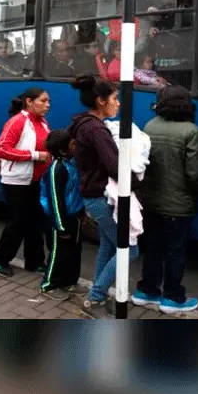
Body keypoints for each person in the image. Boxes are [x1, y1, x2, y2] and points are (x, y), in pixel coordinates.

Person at [132, 85, 198, 314]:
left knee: (154, 247)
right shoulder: (192, 131)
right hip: (179, 205)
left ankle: (147, 291)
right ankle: (173, 298)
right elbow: (195, 174)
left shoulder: (150, 126)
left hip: (152, 200)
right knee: (175, 251)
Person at [66, 75, 137, 315]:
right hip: (99, 197)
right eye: (115, 99)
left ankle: (98, 292)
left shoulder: (84, 123)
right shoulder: (96, 129)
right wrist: (137, 178)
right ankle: (94, 297)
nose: (118, 104)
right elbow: (114, 165)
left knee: (108, 245)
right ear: (100, 100)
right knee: (129, 248)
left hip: (94, 196)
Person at [0, 88, 53, 277]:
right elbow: (1, 149)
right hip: (16, 181)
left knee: (35, 223)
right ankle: (0, 259)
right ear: (29, 101)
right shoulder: (18, 121)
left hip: (35, 180)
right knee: (18, 222)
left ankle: (34, 262)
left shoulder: (42, 122)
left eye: (48, 101)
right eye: (43, 101)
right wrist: (35, 155)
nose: (47, 105)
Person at [38, 129, 86, 301]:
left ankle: (69, 281)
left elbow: (75, 192)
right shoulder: (56, 170)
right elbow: (55, 201)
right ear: (63, 150)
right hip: (59, 220)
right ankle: (49, 284)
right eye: (72, 143)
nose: (76, 145)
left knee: (74, 251)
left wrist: (81, 212)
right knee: (58, 252)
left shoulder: (71, 163)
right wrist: (60, 226)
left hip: (74, 216)